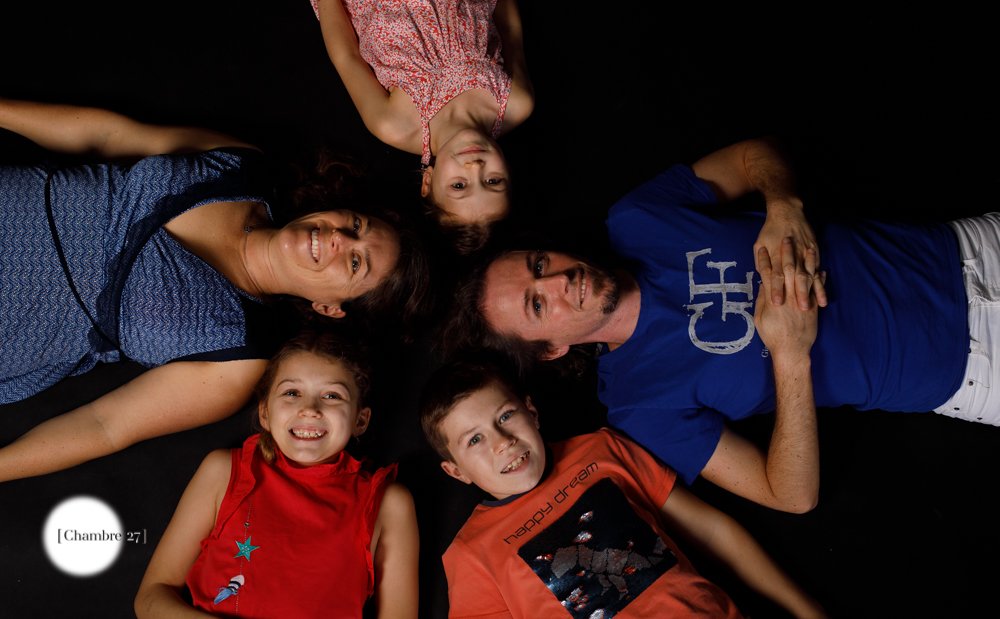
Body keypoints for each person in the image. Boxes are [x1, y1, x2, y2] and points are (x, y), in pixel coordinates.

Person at [440, 136, 997, 513]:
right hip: (973, 366)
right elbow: (789, 494)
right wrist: (790, 356)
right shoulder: (641, 408)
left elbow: (757, 155)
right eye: (539, 306)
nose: (559, 281)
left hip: (968, 248)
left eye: (539, 264)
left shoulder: (637, 219)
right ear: (551, 351)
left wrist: (783, 206)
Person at [0, 96, 430, 482]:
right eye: (356, 225)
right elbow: (105, 136)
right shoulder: (242, 166)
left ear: (331, 307)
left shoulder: (236, 357)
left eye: (355, 263)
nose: (340, 239)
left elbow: (103, 426)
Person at [418, 353, 827, 618]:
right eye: (474, 440)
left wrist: (805, 610)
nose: (502, 442)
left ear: (532, 410)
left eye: (505, 416)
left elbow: (714, 532)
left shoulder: (600, 448)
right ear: (456, 472)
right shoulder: (471, 553)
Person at [134, 329, 419, 617]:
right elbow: (150, 598)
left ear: (360, 419)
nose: (310, 409)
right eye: (292, 393)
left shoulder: (388, 504)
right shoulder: (223, 472)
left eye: (332, 395)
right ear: (265, 414)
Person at [300, 0, 534, 252]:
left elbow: (347, 58)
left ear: (427, 183)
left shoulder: (397, 125)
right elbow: (510, 28)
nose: (475, 167)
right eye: (493, 181)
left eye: (459, 186)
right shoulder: (514, 102)